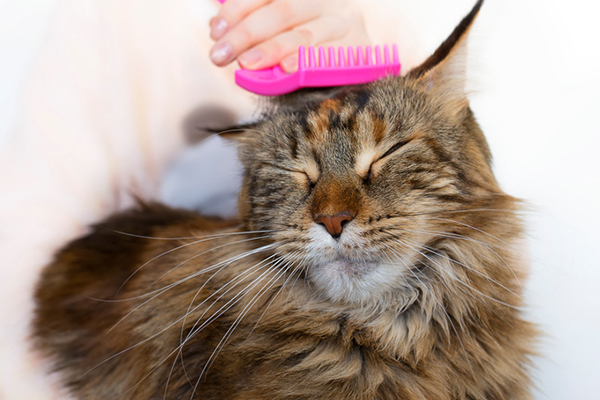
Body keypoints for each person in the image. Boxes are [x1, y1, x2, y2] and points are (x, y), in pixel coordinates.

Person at [0, 0, 406, 398]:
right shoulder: (107, 15)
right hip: (200, 298)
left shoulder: (380, 14)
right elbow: (24, 246)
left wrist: (367, 98)